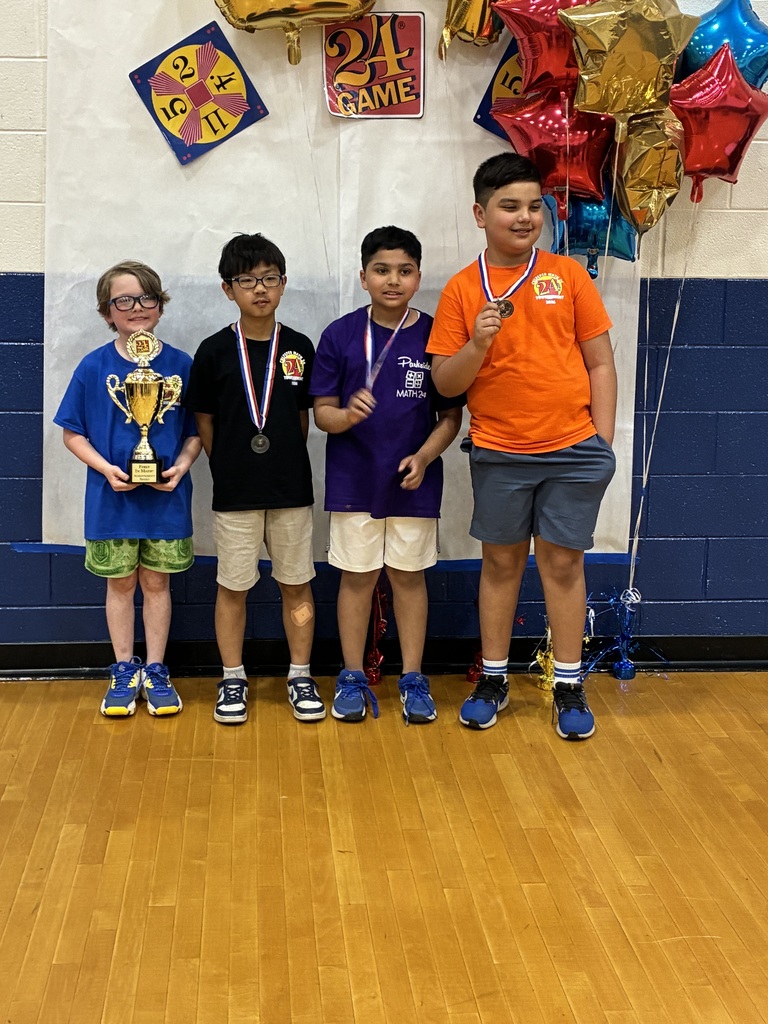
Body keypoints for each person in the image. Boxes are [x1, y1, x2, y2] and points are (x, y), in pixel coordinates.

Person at [427, 154, 617, 740]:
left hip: (572, 448)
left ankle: (567, 682)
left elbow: (602, 363)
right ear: (481, 214)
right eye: (510, 206)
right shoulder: (462, 289)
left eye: (535, 206)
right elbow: (445, 384)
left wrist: (602, 443)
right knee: (502, 562)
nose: (525, 216)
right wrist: (478, 345)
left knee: (563, 563)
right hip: (500, 450)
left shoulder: (569, 274)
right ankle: (493, 677)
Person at [311, 225, 463, 724]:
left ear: (418, 276)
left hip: (412, 481)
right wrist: (348, 416)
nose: (392, 280)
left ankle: (414, 677)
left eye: (404, 270)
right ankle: (352, 674)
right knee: (356, 580)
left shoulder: (437, 334)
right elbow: (322, 415)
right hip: (354, 482)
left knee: (408, 579)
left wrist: (423, 457)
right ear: (363, 276)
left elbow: (449, 417)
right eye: (381, 270)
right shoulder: (339, 333)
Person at [55, 260, 202, 718]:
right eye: (124, 300)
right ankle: (123, 669)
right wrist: (105, 470)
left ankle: (156, 669)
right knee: (120, 585)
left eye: (145, 298)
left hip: (165, 497)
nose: (136, 308)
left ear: (159, 306)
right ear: (107, 313)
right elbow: (72, 432)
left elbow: (196, 430)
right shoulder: (93, 366)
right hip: (110, 498)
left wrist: (180, 466)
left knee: (158, 583)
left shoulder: (181, 364)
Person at [185, 233, 320, 726]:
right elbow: (205, 420)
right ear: (228, 290)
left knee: (297, 585)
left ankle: (300, 674)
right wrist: (232, 465)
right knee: (233, 587)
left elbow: (302, 420)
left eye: (268, 279)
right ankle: (233, 677)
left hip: (291, 491)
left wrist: (278, 457)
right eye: (247, 280)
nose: (259, 289)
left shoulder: (300, 347)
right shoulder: (215, 351)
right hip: (236, 492)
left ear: (283, 284)